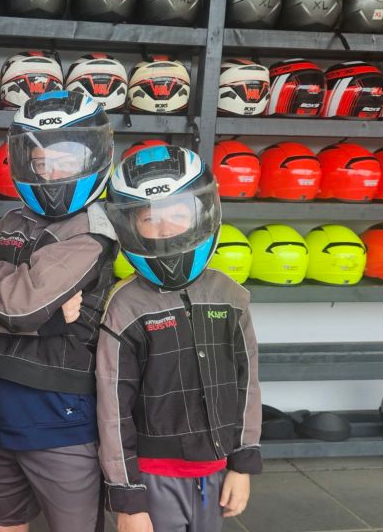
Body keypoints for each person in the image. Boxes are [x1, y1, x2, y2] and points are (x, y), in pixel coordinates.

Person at [0, 90, 118, 532]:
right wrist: (39, 320)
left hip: (61, 413)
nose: (49, 172)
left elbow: (19, 305)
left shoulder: (91, 231)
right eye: (40, 161)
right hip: (3, 403)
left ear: (92, 157)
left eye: (64, 160)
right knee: (1, 522)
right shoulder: (13, 220)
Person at [97, 144, 262, 532]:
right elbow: (112, 411)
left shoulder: (231, 296)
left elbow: (247, 386)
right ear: (129, 225)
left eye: (179, 213)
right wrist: (128, 497)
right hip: (152, 477)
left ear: (202, 213)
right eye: (150, 218)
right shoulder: (125, 306)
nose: (166, 227)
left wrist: (242, 464)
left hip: (217, 471)